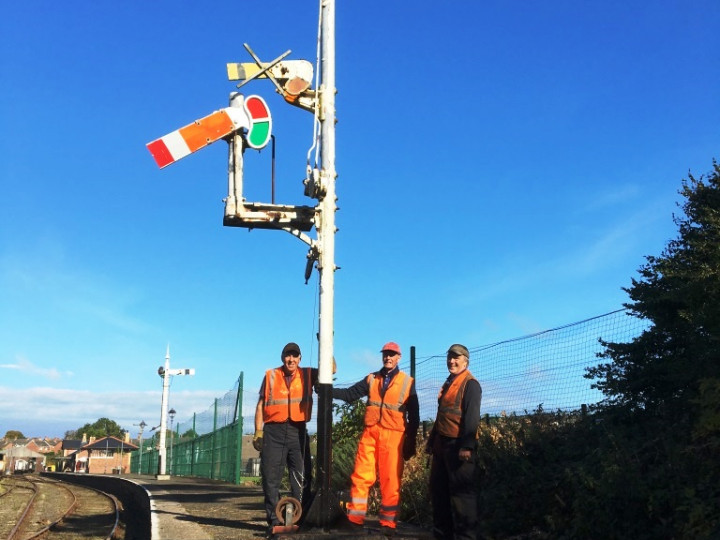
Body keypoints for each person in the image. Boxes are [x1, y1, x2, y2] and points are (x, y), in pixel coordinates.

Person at [332, 341, 420, 533]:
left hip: (394, 437)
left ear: (399, 358)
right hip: (370, 434)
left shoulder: (407, 382)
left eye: (392, 354)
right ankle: (355, 519)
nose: (388, 357)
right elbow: (349, 394)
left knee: (390, 481)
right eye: (385, 354)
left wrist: (411, 441)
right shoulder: (371, 379)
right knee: (361, 476)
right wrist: (327, 390)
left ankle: (388, 523)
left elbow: (414, 416)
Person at [254, 342, 315, 535]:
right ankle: (274, 521)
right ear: (283, 358)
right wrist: (258, 431)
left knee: (302, 477)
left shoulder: (307, 374)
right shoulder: (271, 375)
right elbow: (261, 404)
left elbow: (332, 369)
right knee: (270, 478)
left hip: (298, 431)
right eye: (288, 355)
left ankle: (299, 519)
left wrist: (327, 345)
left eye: (295, 356)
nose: (291, 359)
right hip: (273, 431)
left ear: (300, 359)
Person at [426, 343, 482, 540]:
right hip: (442, 446)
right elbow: (443, 416)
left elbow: (472, 417)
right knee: (439, 492)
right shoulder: (449, 382)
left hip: (459, 447)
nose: (452, 361)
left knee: (462, 497)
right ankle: (442, 535)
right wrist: (432, 442)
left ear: (466, 361)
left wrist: (467, 445)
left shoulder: (470, 384)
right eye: (450, 357)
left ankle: (466, 536)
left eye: (457, 357)